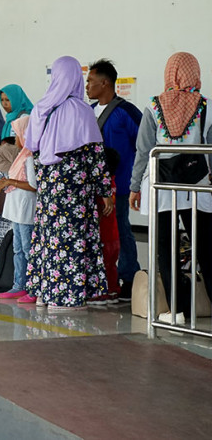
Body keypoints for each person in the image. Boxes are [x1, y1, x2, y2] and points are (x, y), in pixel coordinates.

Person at [24, 55, 113, 311]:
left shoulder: (41, 107)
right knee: (71, 240)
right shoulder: (81, 110)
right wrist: (105, 190)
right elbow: (95, 155)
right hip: (74, 191)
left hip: (48, 188)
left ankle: (44, 292)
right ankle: (65, 298)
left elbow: (32, 148)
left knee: (47, 238)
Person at [129, 52, 212, 324]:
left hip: (162, 185)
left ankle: (175, 311)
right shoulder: (206, 106)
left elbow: (143, 151)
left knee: (165, 246)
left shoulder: (154, 106)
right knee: (206, 247)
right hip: (198, 187)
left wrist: (134, 187)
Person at [85, 59, 142, 300]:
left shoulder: (126, 112)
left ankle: (129, 276)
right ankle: (101, 278)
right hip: (90, 185)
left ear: (105, 83)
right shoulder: (86, 111)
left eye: (90, 81)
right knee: (95, 232)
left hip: (118, 185)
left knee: (120, 229)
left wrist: (135, 181)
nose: (87, 86)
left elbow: (144, 144)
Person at [0, 115, 38, 300]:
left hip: (25, 210)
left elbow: (34, 186)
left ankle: (33, 288)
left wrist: (11, 181)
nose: (15, 139)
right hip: (17, 211)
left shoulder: (29, 158)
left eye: (17, 134)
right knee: (18, 249)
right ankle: (19, 285)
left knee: (28, 250)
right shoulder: (21, 156)